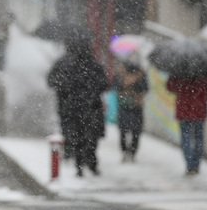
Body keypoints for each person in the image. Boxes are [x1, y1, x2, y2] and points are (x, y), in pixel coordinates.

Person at [47, 34, 109, 177]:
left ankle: (78, 162)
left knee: (76, 135)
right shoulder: (95, 66)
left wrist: (65, 91)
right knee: (91, 137)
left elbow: (53, 81)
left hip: (71, 108)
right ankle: (91, 162)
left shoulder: (65, 65)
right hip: (91, 108)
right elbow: (105, 84)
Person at [166, 74, 207, 175]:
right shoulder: (206, 71)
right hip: (199, 110)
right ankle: (196, 164)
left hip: (183, 110)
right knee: (199, 138)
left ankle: (189, 165)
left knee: (186, 139)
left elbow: (170, 87)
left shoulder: (180, 70)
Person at [114, 60, 148, 162]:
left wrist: (133, 83)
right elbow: (145, 89)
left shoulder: (121, 74)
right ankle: (129, 152)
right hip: (131, 105)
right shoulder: (122, 74)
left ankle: (129, 152)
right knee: (129, 131)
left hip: (131, 105)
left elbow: (144, 88)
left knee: (130, 131)